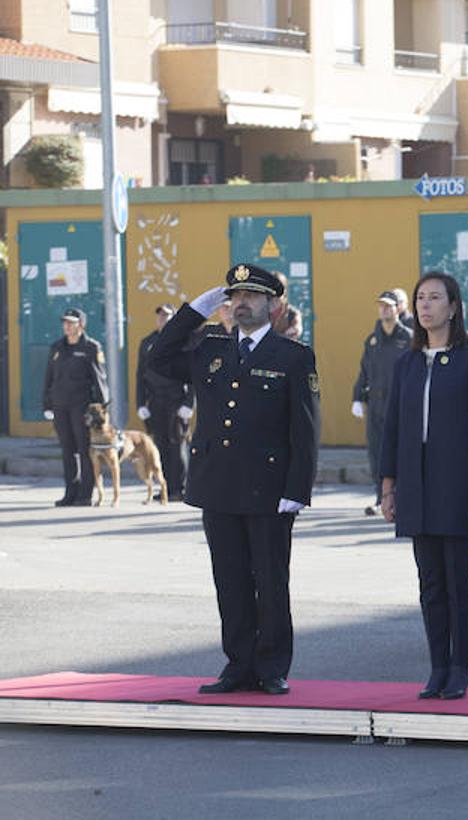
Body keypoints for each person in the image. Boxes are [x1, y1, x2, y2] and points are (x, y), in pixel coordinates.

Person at [148, 264, 320, 696]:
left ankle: (272, 666)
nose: (241, 302)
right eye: (236, 295)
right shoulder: (211, 347)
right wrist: (193, 311)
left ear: (273, 306)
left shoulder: (293, 357)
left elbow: (305, 429)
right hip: (218, 484)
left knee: (270, 579)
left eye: (252, 295)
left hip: (268, 489)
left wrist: (296, 490)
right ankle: (238, 665)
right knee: (230, 579)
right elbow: (159, 358)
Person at [380, 271, 468, 699]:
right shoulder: (408, 362)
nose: (426, 306)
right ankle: (437, 665)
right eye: (420, 298)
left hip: (459, 484)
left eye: (435, 298)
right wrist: (388, 485)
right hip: (417, 485)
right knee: (430, 580)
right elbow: (393, 427)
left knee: (459, 579)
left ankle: (460, 666)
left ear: (453, 307)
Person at [352, 291, 413, 516]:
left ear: (398, 309)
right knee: (377, 452)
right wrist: (357, 396)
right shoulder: (373, 339)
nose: (384, 310)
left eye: (389, 306)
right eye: (381, 306)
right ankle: (381, 497)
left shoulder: (408, 338)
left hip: (399, 404)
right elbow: (364, 370)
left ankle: (403, 496)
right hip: (376, 404)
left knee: (401, 451)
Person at [43, 307, 110, 507]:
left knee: (84, 449)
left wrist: (102, 410)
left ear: (81, 325)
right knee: (67, 449)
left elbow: (100, 381)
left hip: (82, 408)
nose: (67, 326)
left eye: (71, 322)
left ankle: (85, 494)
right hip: (60, 405)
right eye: (65, 322)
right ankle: (70, 492)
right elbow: (49, 378)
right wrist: (47, 404)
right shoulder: (57, 347)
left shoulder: (91, 347)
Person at [136, 304, 194, 501]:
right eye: (160, 315)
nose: (163, 319)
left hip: (177, 400)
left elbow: (193, 373)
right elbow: (140, 375)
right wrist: (140, 403)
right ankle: (167, 488)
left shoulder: (183, 341)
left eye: (167, 316)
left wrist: (189, 403)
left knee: (177, 445)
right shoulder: (148, 342)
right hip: (156, 400)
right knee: (160, 445)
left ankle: (181, 488)